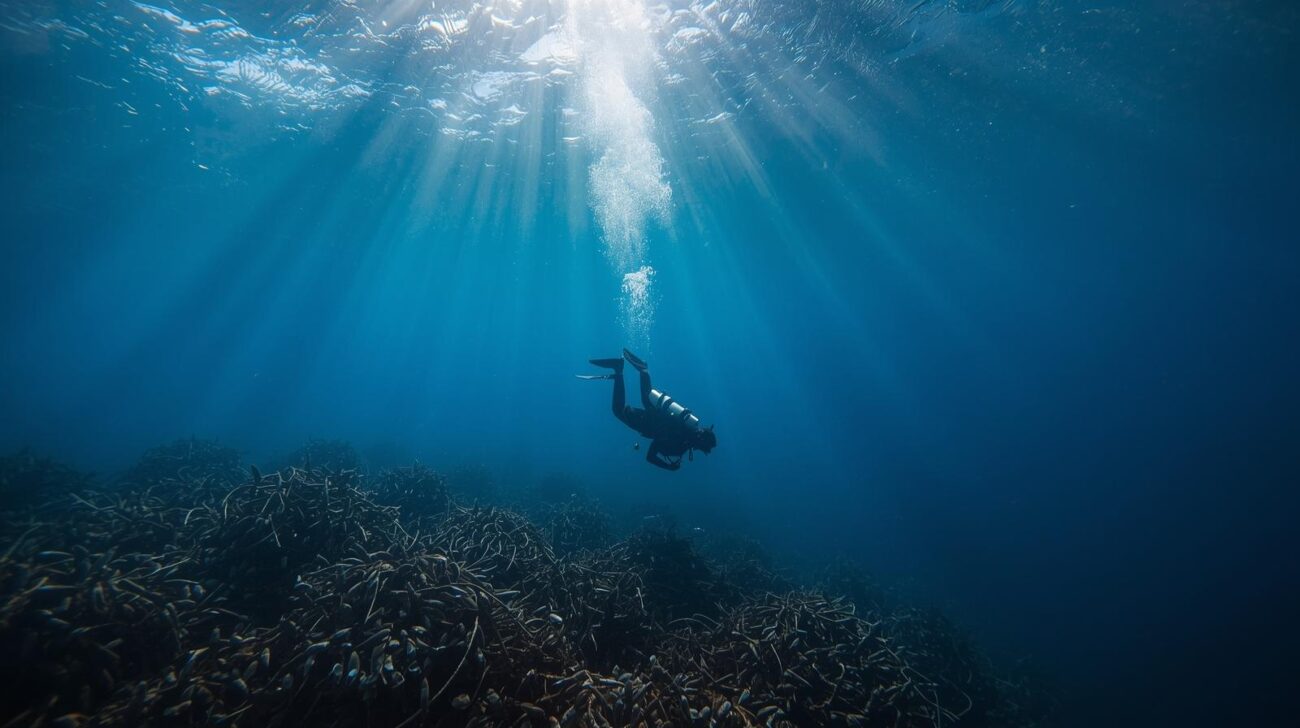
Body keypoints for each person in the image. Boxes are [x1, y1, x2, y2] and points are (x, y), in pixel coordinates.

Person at [580, 349, 717, 470]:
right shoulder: (680, 447)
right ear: (701, 443)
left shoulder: (688, 427)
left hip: (656, 414)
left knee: (647, 396)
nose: (700, 450)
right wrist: (668, 467)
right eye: (704, 449)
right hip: (647, 424)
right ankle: (618, 370)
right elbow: (650, 456)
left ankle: (643, 370)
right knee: (618, 410)